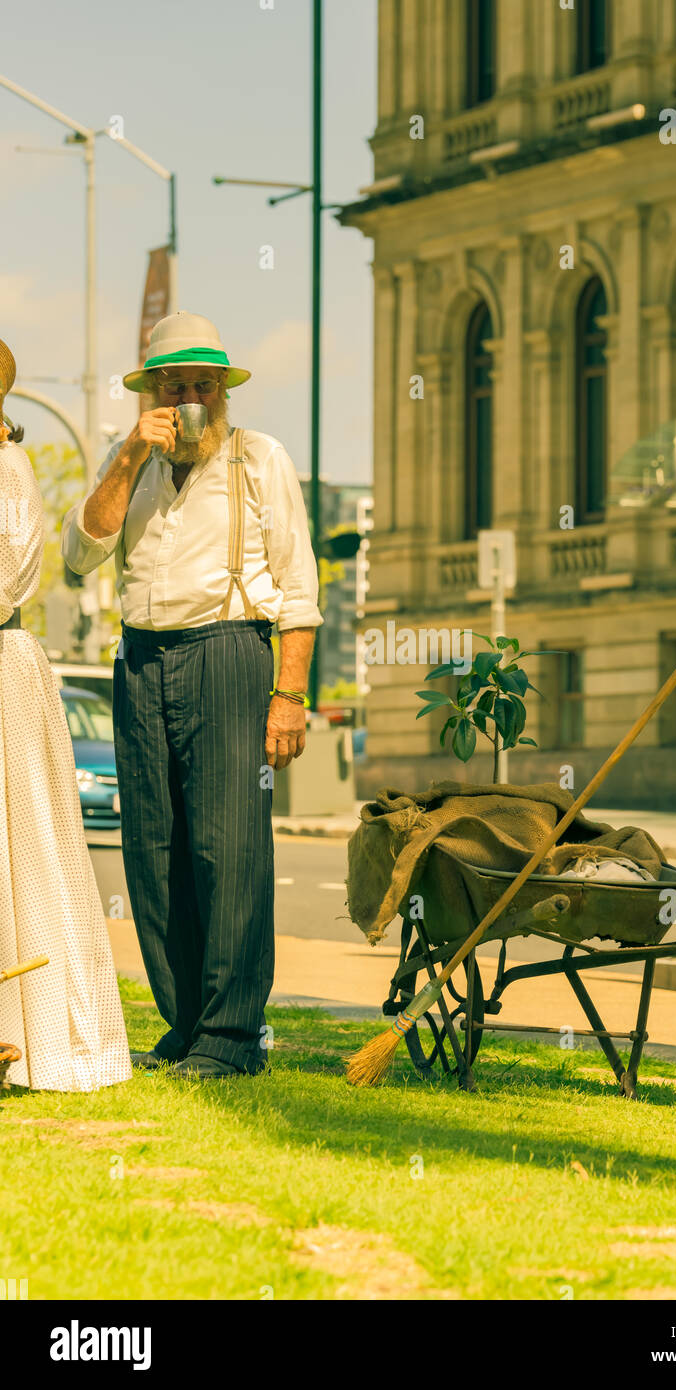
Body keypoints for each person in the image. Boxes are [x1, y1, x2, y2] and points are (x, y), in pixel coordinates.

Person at [61, 312, 323, 1079]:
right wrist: (125, 458)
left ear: (223, 393)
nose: (190, 398)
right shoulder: (130, 464)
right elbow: (80, 554)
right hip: (141, 660)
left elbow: (300, 591)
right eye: (174, 385)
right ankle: (185, 1023)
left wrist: (290, 695)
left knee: (229, 845)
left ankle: (233, 1035)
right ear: (150, 393)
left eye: (203, 385)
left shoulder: (259, 460)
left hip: (228, 652)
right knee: (154, 846)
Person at [0, 338, 131, 1091]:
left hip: (3, 672)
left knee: (23, 850)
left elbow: (11, 574)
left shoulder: (10, 471)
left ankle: (32, 1033)